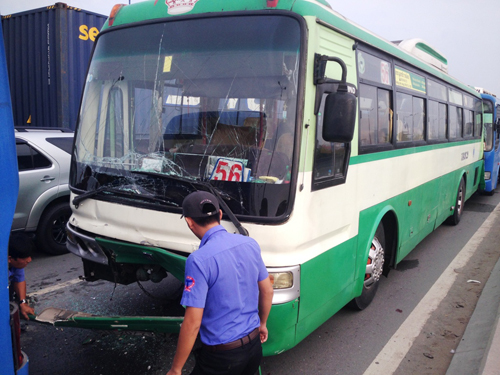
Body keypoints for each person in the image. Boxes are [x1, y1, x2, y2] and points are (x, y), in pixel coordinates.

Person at [167, 191, 274, 375]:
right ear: (221, 215)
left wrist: (176, 370)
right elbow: (267, 291)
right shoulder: (249, 243)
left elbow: (192, 322)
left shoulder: (198, 260)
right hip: (254, 347)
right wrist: (262, 324)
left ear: (189, 222)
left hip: (222, 358)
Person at [8, 233, 35, 320]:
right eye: (25, 257)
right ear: (10, 259)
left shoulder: (16, 265)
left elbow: (19, 280)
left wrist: (23, 303)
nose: (29, 260)